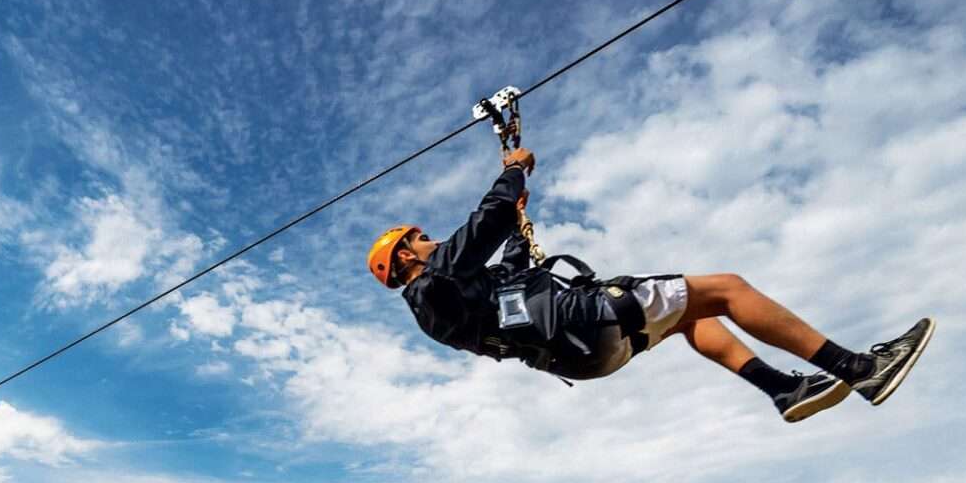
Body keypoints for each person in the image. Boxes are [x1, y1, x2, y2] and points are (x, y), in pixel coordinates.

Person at [366, 146, 933, 421]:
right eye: (418, 239)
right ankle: (860, 370)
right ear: (405, 261)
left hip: (581, 355)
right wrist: (512, 171)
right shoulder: (432, 287)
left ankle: (782, 390)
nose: (430, 239)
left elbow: (510, 269)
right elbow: (480, 227)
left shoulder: (449, 299)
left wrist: (517, 212)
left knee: (692, 314)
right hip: (584, 322)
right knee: (728, 288)